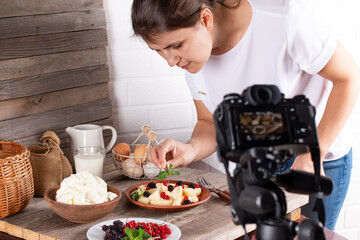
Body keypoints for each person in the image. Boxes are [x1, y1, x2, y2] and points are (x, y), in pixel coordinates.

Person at [131, 0, 360, 230]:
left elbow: (348, 78)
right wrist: (190, 149)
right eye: (159, 51)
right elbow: (209, 122)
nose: (170, 61)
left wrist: (312, 155)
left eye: (176, 45)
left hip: (314, 159)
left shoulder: (285, 18)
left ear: (205, 19)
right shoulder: (192, 60)